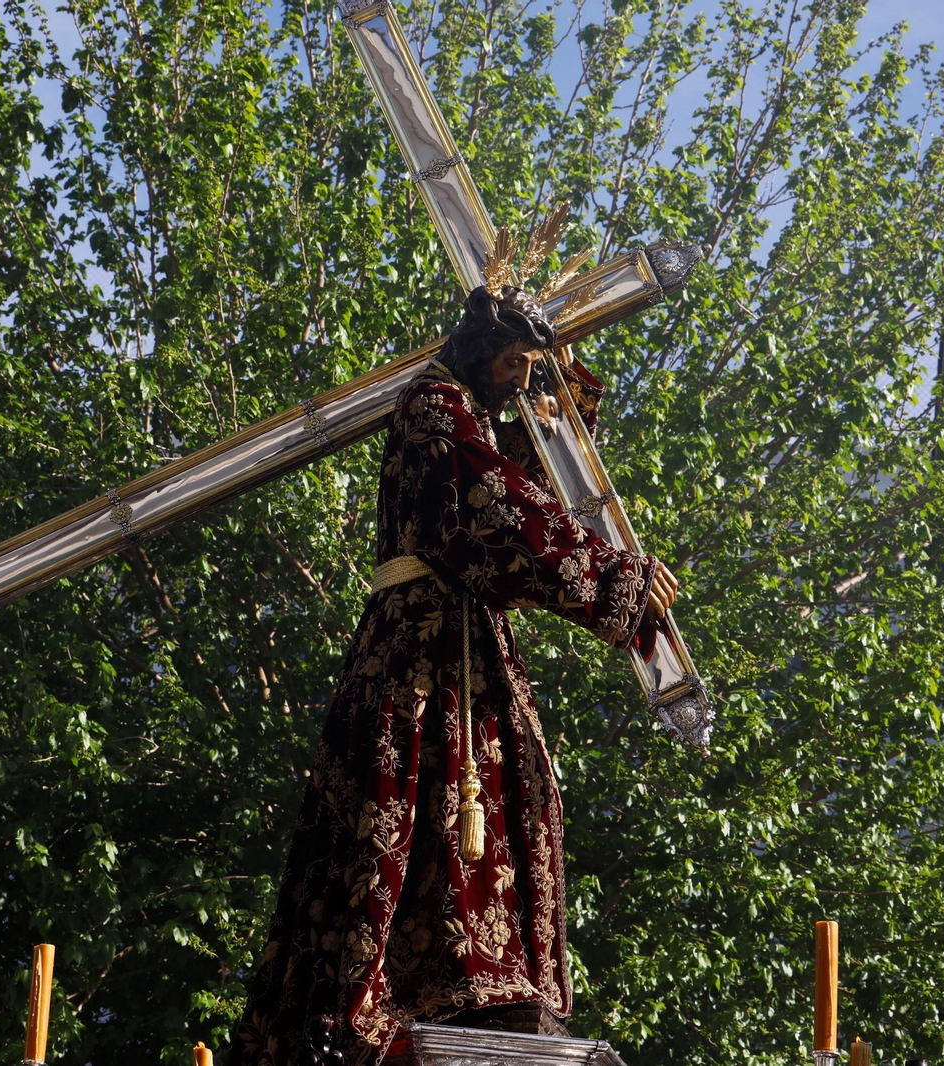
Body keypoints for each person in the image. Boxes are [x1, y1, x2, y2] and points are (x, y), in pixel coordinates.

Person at [233, 283, 680, 1066]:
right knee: (413, 815)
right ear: (482, 349)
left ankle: (495, 994)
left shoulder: (461, 413)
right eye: (513, 362)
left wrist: (559, 407)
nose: (517, 378)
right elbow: (497, 513)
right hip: (421, 656)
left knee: (508, 811)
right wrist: (620, 582)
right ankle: (416, 995)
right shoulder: (434, 407)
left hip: (462, 645)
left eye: (527, 365)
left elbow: (519, 482)